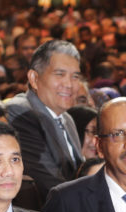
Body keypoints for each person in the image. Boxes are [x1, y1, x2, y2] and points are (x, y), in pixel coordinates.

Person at [6, 40, 83, 197]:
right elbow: (47, 182)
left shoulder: (67, 119)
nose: (69, 84)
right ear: (34, 78)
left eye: (75, 76)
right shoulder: (21, 112)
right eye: (60, 74)